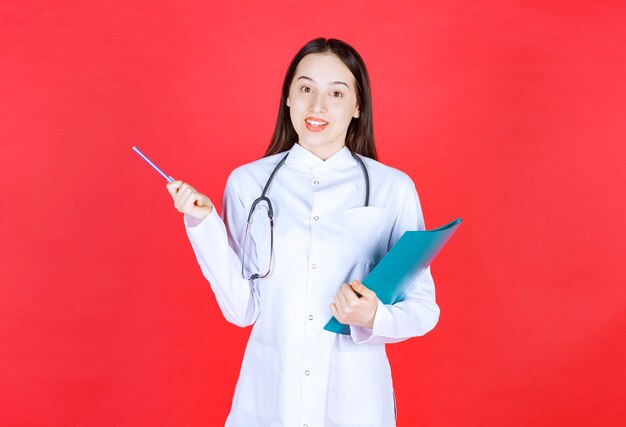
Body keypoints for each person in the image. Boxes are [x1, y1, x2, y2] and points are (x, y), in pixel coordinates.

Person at [166, 38, 440, 427]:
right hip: (269, 398)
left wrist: (372, 315)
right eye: (306, 88)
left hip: (354, 403)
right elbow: (242, 309)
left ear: (358, 107)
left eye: (337, 93)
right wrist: (202, 224)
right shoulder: (249, 183)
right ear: (288, 98)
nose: (318, 107)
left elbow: (423, 310)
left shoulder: (391, 189)